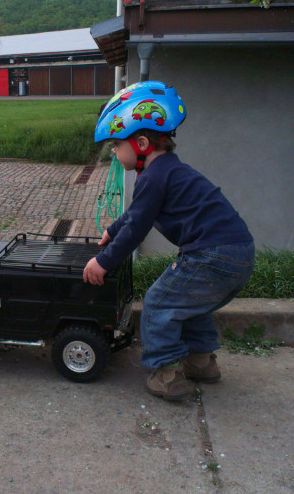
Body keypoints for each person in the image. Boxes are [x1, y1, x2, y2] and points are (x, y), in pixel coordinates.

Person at [83, 81, 254, 401]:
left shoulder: (153, 175)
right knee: (190, 305)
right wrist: (112, 229)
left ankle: (167, 375)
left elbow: (137, 228)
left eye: (116, 145)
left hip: (212, 255)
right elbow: (136, 215)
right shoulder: (166, 171)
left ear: (142, 142)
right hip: (238, 253)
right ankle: (201, 363)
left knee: (159, 303)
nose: (114, 152)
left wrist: (103, 261)